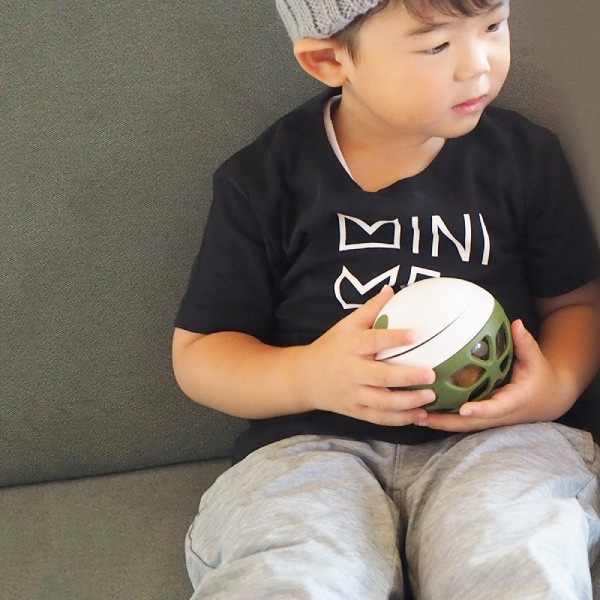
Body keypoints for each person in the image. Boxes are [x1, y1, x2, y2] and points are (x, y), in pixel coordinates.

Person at [172, 0, 600, 597]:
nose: (478, 65)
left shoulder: (524, 158)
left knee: (516, 555)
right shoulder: (265, 180)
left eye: (493, 26)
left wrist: (556, 386)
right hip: (313, 450)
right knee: (294, 571)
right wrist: (307, 376)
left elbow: (577, 305)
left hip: (496, 438)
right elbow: (200, 353)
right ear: (330, 61)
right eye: (436, 45)